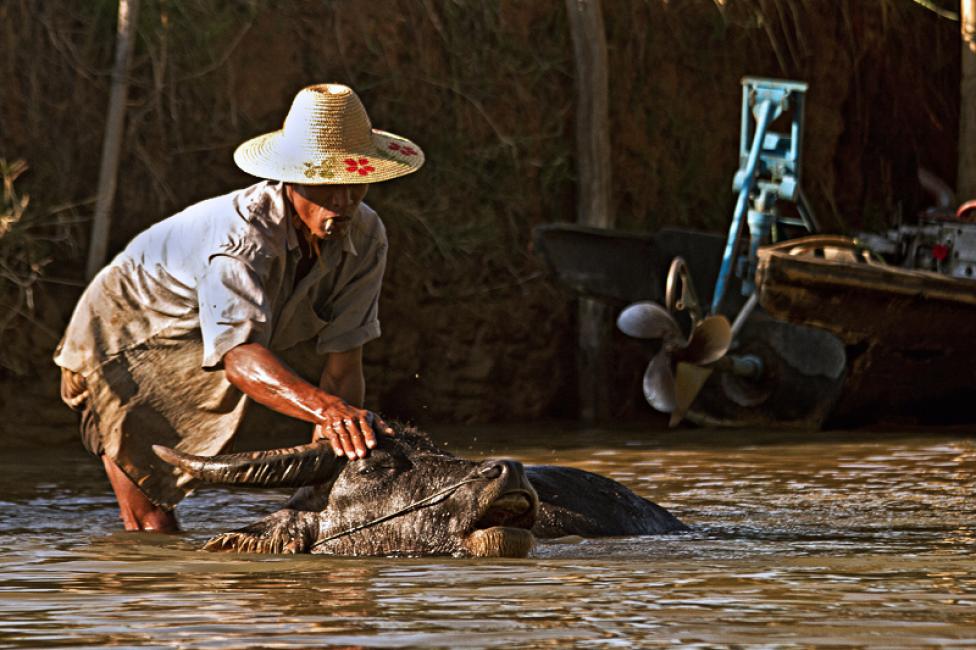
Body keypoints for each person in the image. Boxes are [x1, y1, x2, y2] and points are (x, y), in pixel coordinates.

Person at [54, 83, 424, 532]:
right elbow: (240, 358)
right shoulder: (242, 239)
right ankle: (142, 593)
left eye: (354, 184)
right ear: (292, 180)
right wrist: (327, 411)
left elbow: (344, 367)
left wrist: (322, 485)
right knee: (152, 519)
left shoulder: (366, 235)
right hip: (127, 331)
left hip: (205, 328)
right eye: (326, 186)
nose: (342, 201)